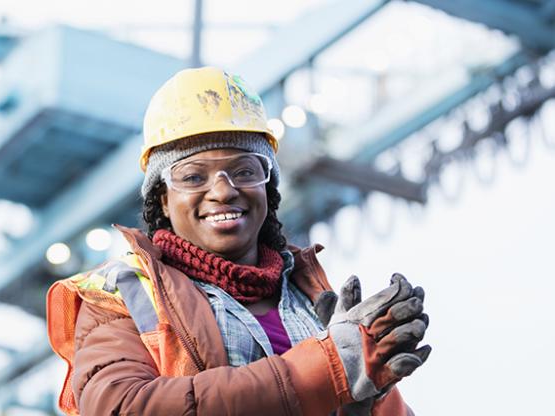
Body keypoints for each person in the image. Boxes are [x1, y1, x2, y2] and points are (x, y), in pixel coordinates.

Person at [46, 67, 431, 415]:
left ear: (268, 185)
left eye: (244, 170)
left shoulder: (309, 298)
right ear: (163, 198)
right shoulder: (121, 295)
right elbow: (120, 406)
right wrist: (327, 369)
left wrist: (371, 397)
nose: (223, 191)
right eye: (194, 177)